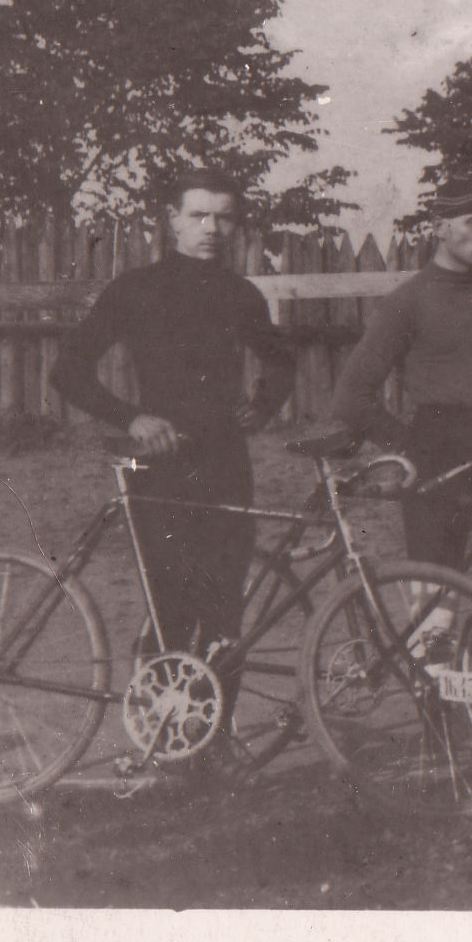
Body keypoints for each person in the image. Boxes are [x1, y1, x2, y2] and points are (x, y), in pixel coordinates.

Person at [50, 167, 296, 756]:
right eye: (198, 216)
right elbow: (67, 371)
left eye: (224, 217)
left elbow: (280, 363)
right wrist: (132, 418)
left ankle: (212, 743)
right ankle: (165, 742)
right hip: (156, 466)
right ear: (172, 220)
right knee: (172, 610)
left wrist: (262, 407)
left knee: (225, 613)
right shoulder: (135, 289)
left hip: (225, 464)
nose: (212, 229)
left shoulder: (242, 294)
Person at [327, 176, 472, 571]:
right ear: (440, 227)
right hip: (433, 453)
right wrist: (412, 445)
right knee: (436, 596)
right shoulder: (408, 302)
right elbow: (351, 395)